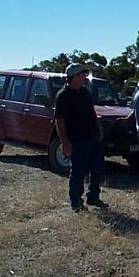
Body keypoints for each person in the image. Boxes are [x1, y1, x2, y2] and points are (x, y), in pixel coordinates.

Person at [54, 63, 107, 212]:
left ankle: (93, 197)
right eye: (81, 75)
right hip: (76, 140)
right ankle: (76, 202)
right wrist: (65, 142)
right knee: (78, 172)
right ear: (74, 77)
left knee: (97, 168)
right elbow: (59, 120)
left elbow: (92, 112)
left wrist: (98, 128)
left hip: (92, 137)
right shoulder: (63, 96)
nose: (84, 77)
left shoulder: (85, 92)